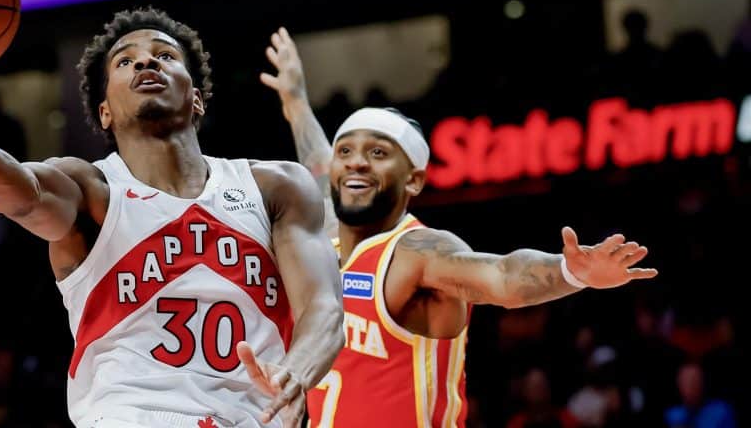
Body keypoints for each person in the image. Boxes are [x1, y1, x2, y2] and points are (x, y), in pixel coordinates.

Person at [0, 3, 344, 428]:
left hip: (251, 415)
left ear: (196, 97)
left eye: (165, 54)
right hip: (128, 414)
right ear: (105, 112)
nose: (145, 62)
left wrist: (295, 374)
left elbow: (323, 309)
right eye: (125, 61)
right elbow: (18, 191)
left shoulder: (274, 187)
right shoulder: (90, 191)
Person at [260, 28, 658, 427]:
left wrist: (572, 271)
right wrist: (295, 102)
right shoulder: (327, 233)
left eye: (377, 153)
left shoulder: (418, 251)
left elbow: (503, 274)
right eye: (345, 151)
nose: (356, 162)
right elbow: (316, 162)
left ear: (413, 179)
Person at [664, 362, 737, 428]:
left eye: (694, 381)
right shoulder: (673, 414)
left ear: (703, 382)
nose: (690, 386)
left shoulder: (721, 411)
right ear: (678, 384)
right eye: (685, 381)